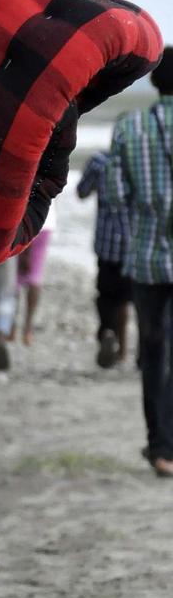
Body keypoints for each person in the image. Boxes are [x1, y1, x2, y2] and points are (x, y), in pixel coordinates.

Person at [105, 47, 173, 478]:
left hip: (147, 257)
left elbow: (115, 197)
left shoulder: (130, 126)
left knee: (152, 350)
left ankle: (160, 447)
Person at [76, 148, 133, 368]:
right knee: (125, 299)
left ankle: (108, 331)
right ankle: (123, 352)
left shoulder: (99, 162)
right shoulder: (138, 161)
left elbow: (81, 192)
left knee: (106, 295)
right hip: (131, 243)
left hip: (105, 244)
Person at [14, 204, 56, 346]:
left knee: (17, 279)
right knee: (35, 277)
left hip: (27, 222)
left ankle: (11, 326)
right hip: (47, 222)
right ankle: (27, 329)